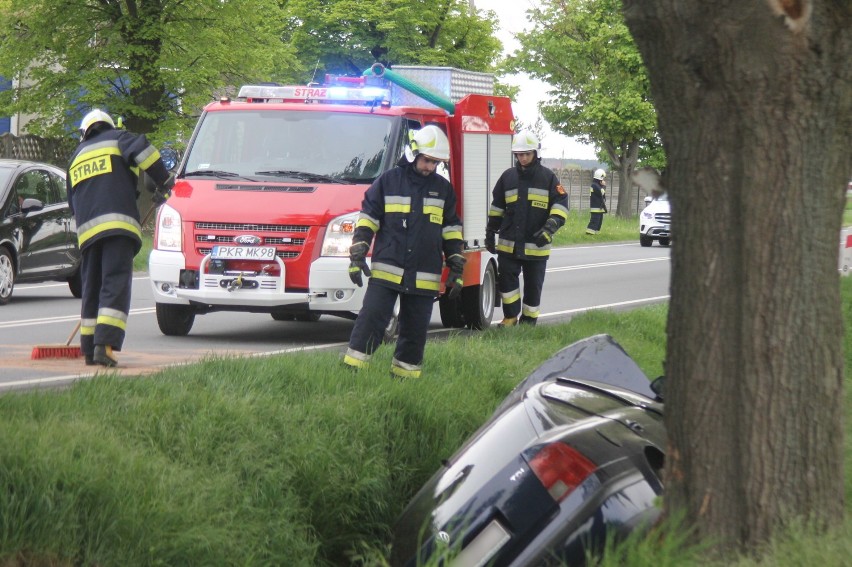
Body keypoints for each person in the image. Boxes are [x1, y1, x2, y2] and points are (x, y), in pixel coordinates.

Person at [343, 124, 465, 379]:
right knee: (371, 321)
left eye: (435, 162)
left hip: (424, 273)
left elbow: (451, 229)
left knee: (415, 330)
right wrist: (357, 253)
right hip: (388, 269)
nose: (430, 167)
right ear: (414, 153)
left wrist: (456, 265)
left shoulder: (443, 189)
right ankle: (351, 374)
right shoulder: (388, 182)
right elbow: (367, 220)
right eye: (427, 160)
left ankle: (404, 380)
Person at [67, 109, 173, 367]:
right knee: (114, 283)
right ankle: (105, 345)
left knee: (92, 287)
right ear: (107, 125)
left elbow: (72, 202)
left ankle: (90, 350)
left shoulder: (76, 158)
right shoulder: (119, 138)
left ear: (85, 132)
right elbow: (146, 151)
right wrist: (165, 181)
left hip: (87, 235)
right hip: (118, 228)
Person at [485, 130, 568, 327]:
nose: (522, 158)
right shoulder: (507, 177)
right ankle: (510, 317)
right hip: (509, 245)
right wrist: (490, 232)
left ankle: (529, 321)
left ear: (535, 153)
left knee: (533, 286)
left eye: (526, 154)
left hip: (536, 244)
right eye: (519, 155)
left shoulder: (548, 178)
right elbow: (497, 206)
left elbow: (561, 205)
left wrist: (549, 228)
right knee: (507, 282)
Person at [585, 168, 607, 235]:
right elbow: (601, 192)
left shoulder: (597, 185)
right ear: (600, 178)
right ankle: (589, 234)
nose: (603, 180)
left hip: (599, 208)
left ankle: (595, 234)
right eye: (603, 179)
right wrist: (603, 186)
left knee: (599, 222)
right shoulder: (595, 185)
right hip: (596, 208)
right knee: (594, 221)